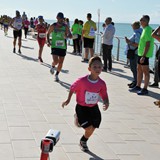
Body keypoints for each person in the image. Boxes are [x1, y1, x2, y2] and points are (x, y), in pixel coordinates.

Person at [62, 56, 109, 152]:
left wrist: (106, 101)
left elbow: (104, 93)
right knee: (88, 128)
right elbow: (72, 88)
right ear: (89, 69)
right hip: (82, 107)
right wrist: (68, 100)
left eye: (99, 67)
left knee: (93, 127)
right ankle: (78, 118)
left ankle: (83, 141)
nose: (97, 69)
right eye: (94, 67)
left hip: (93, 108)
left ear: (102, 68)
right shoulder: (82, 81)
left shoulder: (101, 83)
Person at [130, 15, 154, 95]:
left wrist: (144, 56)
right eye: (140, 20)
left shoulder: (148, 30)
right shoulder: (144, 29)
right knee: (139, 69)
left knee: (145, 71)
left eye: (142, 20)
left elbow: (148, 44)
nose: (140, 21)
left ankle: (145, 89)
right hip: (140, 53)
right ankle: (138, 86)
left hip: (145, 54)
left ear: (146, 21)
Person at [47, 12, 72, 81]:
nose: (61, 20)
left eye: (62, 18)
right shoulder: (53, 25)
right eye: (60, 18)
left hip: (63, 46)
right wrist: (48, 41)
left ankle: (57, 75)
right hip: (54, 46)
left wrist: (67, 36)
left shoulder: (65, 26)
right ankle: (53, 66)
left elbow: (70, 35)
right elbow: (48, 33)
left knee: (61, 62)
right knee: (56, 61)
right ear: (57, 18)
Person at [125, 21, 142, 88]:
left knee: (134, 68)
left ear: (135, 26)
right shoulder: (139, 32)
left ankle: (136, 82)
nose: (132, 27)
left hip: (135, 53)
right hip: (135, 53)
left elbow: (137, 44)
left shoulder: (137, 33)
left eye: (132, 26)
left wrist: (129, 42)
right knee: (135, 68)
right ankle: (135, 81)